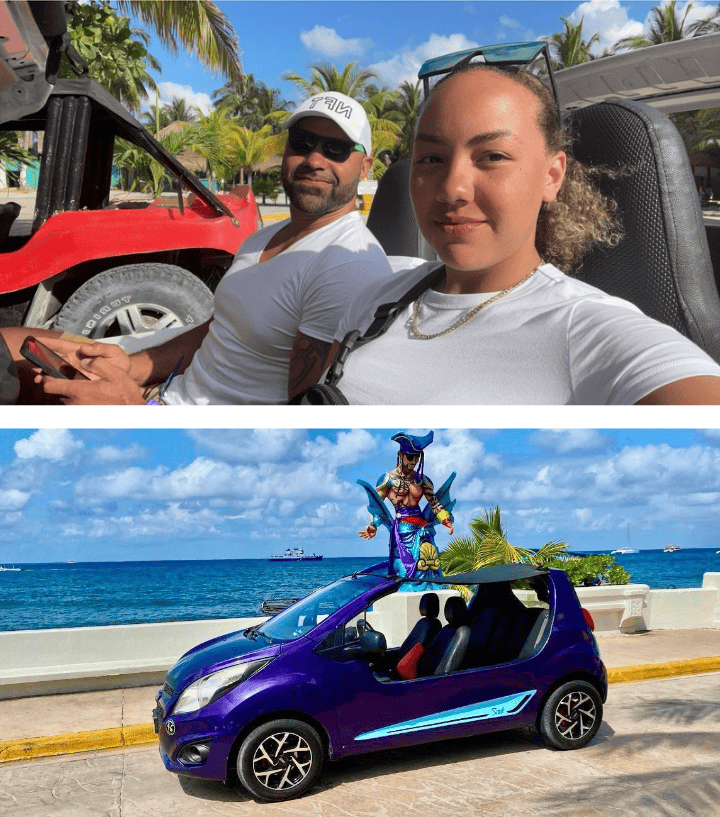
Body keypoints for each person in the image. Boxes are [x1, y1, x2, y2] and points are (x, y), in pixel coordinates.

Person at [320, 65, 720, 405]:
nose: (451, 188)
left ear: (551, 177)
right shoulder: (375, 299)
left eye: (492, 156)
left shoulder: (586, 330)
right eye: (431, 158)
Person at [1, 91, 391, 404]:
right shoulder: (263, 239)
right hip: (163, 396)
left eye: (337, 148)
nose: (315, 159)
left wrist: (130, 412)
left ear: (366, 165)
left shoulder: (344, 266)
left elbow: (296, 431)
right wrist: (131, 368)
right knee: (14, 348)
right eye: (303, 142)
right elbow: (216, 330)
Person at [357, 431, 455, 590]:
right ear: (401, 455)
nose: (413, 461)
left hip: (424, 528)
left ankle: (432, 592)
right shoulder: (388, 479)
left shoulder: (422, 480)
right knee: (407, 568)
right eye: (410, 457)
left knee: (431, 564)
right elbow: (376, 506)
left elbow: (435, 504)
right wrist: (373, 526)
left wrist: (445, 520)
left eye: (417, 457)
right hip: (404, 529)